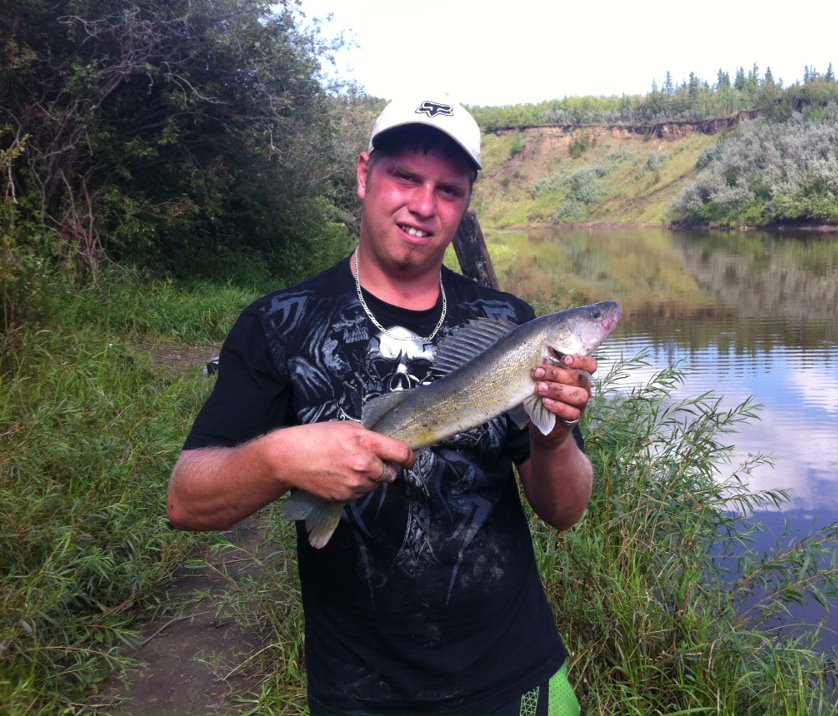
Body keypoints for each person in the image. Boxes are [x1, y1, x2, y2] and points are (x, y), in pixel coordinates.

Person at [167, 92, 598, 716]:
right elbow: (186, 499)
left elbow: (565, 511)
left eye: (448, 190)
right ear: (366, 173)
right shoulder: (277, 323)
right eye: (405, 177)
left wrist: (554, 432)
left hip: (517, 672)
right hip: (360, 694)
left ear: (466, 203)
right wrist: (280, 458)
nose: (423, 205)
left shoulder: (511, 323)